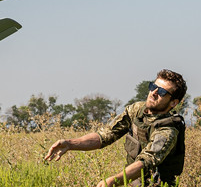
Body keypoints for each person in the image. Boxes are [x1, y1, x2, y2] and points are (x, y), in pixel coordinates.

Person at [44, 69, 187, 187]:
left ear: (173, 102)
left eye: (161, 92)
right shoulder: (137, 110)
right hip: (134, 182)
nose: (154, 93)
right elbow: (105, 135)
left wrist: (113, 181)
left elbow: (146, 163)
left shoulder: (168, 130)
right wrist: (70, 144)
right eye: (152, 87)